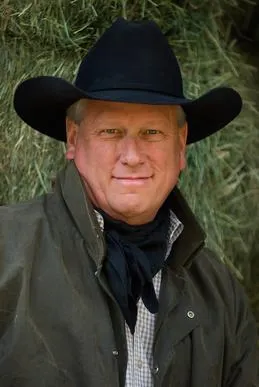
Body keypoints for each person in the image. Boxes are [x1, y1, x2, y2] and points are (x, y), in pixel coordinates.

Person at [0, 17, 258, 387]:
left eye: (152, 132)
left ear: (181, 146)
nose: (132, 155)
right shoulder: (5, 250)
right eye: (111, 131)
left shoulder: (222, 296)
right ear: (73, 139)